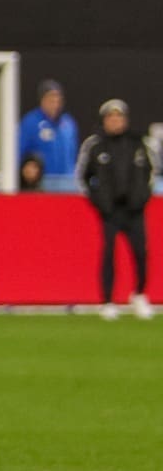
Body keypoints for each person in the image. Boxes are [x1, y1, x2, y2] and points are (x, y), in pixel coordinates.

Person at [78, 99, 153, 320]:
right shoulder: (95, 145)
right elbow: (82, 176)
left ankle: (139, 294)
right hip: (110, 211)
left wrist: (142, 197)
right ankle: (108, 301)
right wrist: (99, 201)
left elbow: (151, 172)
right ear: (104, 120)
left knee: (141, 253)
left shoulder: (139, 144)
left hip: (134, 210)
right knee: (109, 253)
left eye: (119, 117)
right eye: (111, 117)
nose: (115, 121)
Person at [18, 79, 79, 179]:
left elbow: (73, 154)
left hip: (66, 183)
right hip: (42, 183)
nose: (55, 104)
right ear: (42, 100)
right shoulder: (30, 122)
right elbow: (20, 152)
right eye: (51, 100)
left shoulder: (68, 123)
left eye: (58, 100)